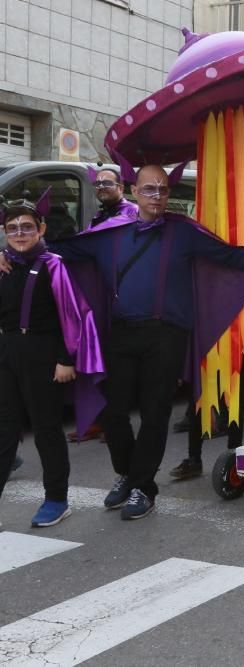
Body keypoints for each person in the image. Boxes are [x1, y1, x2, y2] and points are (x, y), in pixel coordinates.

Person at [21, 164, 244, 520]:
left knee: (155, 412)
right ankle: (129, 474)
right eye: (150, 189)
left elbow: (228, 255)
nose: (158, 196)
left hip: (167, 335)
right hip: (120, 332)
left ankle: (143, 487)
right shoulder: (109, 234)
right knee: (113, 411)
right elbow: (63, 252)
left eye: (163, 190)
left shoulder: (182, 232)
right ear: (134, 191)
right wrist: (16, 251)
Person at [170, 195, 244, 480]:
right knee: (202, 389)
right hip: (208, 320)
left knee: (241, 382)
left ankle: (235, 452)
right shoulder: (203, 241)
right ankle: (193, 457)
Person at [0, 195, 103, 528]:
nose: (19, 232)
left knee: (46, 431)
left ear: (41, 228)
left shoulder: (54, 265)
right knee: (3, 431)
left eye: (26, 226)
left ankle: (57, 499)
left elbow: (72, 315)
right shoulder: (2, 264)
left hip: (44, 354)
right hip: (6, 353)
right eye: (12, 227)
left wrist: (65, 359)